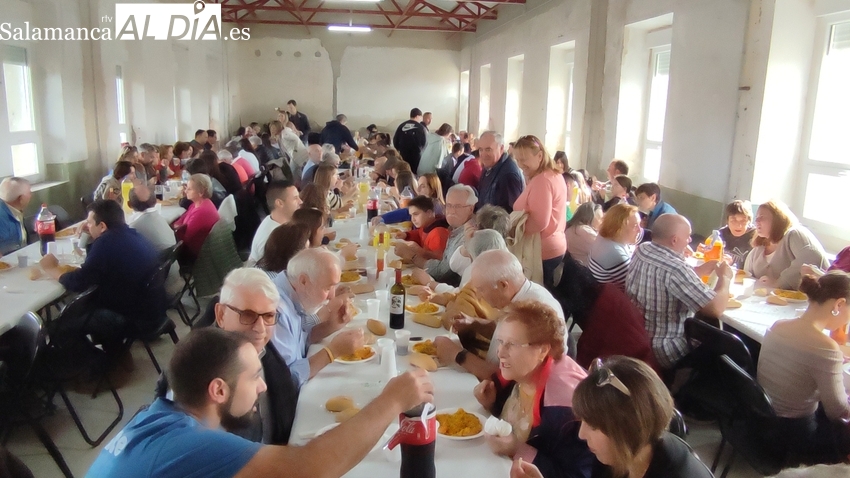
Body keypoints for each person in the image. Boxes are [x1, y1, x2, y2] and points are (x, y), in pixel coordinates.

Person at [87, 327, 434, 477]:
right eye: (254, 378)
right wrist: (391, 400)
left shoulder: (158, 417)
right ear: (219, 391)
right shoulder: (188, 444)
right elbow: (310, 469)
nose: (264, 388)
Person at [512, 356, 716, 478]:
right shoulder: (613, 454)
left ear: (626, 427)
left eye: (592, 426)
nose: (582, 435)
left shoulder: (677, 473)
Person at [474, 301, 594, 478]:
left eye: (512, 344)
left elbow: (576, 474)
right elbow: (519, 423)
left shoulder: (567, 410)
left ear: (543, 350)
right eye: (501, 342)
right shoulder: (525, 372)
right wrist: (493, 405)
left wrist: (518, 450)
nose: (500, 352)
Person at [40, 200, 164, 352]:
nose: (87, 226)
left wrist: (52, 269)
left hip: (135, 320)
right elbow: (95, 264)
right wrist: (91, 233)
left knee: (58, 326)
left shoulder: (106, 244)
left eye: (90, 223)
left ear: (103, 226)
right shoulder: (131, 234)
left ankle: (96, 363)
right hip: (153, 311)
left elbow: (79, 282)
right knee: (83, 307)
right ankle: (117, 355)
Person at [757, 271, 850, 465]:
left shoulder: (778, 325)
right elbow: (837, 411)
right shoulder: (826, 347)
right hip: (796, 433)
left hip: (761, 419)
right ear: (839, 305)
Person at [436, 250, 566, 381]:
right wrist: (475, 324)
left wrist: (457, 355)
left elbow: (505, 381)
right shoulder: (518, 297)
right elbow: (507, 333)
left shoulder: (535, 312)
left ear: (503, 285)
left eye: (481, 290)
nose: (479, 296)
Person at [626, 214, 733, 370]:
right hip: (665, 348)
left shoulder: (643, 249)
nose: (690, 241)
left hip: (639, 336)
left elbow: (670, 276)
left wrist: (700, 270)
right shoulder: (676, 269)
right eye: (688, 237)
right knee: (720, 337)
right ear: (674, 240)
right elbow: (715, 308)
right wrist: (726, 278)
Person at [270, 248, 364, 387]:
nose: (332, 296)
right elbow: (286, 382)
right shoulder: (275, 311)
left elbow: (298, 343)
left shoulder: (291, 294)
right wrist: (332, 352)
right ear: (303, 281)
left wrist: (331, 326)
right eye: (327, 288)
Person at [511, 135, 567, 287]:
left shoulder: (543, 180)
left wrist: (513, 231)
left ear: (540, 156)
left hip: (542, 251)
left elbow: (539, 222)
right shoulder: (551, 175)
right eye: (517, 160)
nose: (520, 164)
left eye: (524, 159)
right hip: (552, 246)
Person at [744, 200, 829, 290]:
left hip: (806, 301)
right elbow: (746, 276)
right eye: (756, 217)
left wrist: (779, 283)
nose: (756, 221)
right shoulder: (758, 249)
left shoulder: (794, 233)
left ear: (777, 219)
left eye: (762, 217)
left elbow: (812, 258)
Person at [406, 184, 477, 283]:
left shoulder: (469, 233)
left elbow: (443, 273)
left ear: (471, 208)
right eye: (449, 205)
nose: (451, 211)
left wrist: (413, 257)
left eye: (457, 206)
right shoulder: (455, 227)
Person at [248, 180, 302, 266]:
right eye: (295, 198)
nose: (300, 201)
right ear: (279, 203)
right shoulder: (271, 236)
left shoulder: (279, 221)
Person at [589, 204, 641, 290]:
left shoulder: (604, 237)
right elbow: (634, 288)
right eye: (635, 226)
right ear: (620, 228)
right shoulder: (616, 254)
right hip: (610, 298)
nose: (639, 230)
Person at [173, 174, 220, 261]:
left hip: (195, 255)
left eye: (189, 189)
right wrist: (177, 227)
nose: (185, 191)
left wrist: (175, 229)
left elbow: (185, 240)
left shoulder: (201, 211)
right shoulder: (197, 204)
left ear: (201, 192)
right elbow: (181, 220)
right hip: (192, 247)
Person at [476, 131, 524, 213]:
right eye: (481, 149)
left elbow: (509, 213)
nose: (483, 154)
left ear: (501, 148)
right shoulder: (489, 166)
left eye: (488, 149)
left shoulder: (508, 174)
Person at [394, 195, 451, 261]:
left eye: (416, 214)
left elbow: (439, 260)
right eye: (411, 215)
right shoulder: (426, 225)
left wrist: (420, 251)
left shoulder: (438, 233)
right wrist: (406, 235)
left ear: (429, 213)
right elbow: (418, 233)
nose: (413, 219)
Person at [128, 186, 176, 252]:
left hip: (156, 260)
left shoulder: (133, 227)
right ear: (155, 201)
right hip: (173, 259)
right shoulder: (160, 218)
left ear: (129, 204)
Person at [717, 200, 756, 269]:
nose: (738, 226)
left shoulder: (755, 237)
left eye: (743, 221)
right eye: (733, 220)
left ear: (749, 221)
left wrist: (732, 264)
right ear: (727, 221)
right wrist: (705, 251)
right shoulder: (721, 234)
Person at [0, 177, 31, 254]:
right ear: (21, 199)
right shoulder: (2, 217)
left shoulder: (15, 211)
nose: (31, 195)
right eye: (29, 193)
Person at [565, 202, 603, 266]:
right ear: (591, 217)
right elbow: (603, 251)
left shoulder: (573, 228)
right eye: (600, 218)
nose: (602, 222)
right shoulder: (585, 232)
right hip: (586, 270)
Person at [393, 108, 428, 173]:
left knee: (403, 172)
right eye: (421, 117)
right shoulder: (421, 128)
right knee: (413, 173)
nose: (421, 119)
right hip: (416, 156)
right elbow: (425, 142)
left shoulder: (401, 126)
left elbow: (395, 141)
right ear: (417, 116)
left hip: (403, 154)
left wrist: (399, 149)